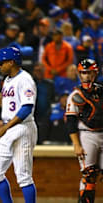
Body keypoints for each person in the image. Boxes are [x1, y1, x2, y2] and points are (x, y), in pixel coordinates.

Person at [0, 47, 37, 203]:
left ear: (12, 62)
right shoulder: (8, 79)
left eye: (2, 63)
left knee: (23, 176)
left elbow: (27, 108)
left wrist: (4, 127)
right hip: (9, 126)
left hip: (23, 127)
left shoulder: (25, 79)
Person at [66, 59, 103, 203]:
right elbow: (70, 121)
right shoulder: (75, 95)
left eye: (89, 73)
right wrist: (76, 144)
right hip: (87, 135)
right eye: (83, 73)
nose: (86, 76)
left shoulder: (101, 90)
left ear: (95, 73)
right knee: (89, 174)